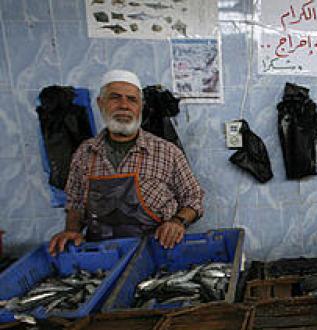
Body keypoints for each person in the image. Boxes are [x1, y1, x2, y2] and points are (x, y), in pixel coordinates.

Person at [49, 70, 204, 255]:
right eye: (115, 98)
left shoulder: (167, 152)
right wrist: (72, 231)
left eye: (132, 100)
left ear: (141, 106)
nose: (124, 105)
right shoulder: (84, 153)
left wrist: (177, 222)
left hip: (158, 250)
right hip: (103, 254)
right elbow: (75, 204)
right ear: (101, 103)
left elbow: (194, 198)